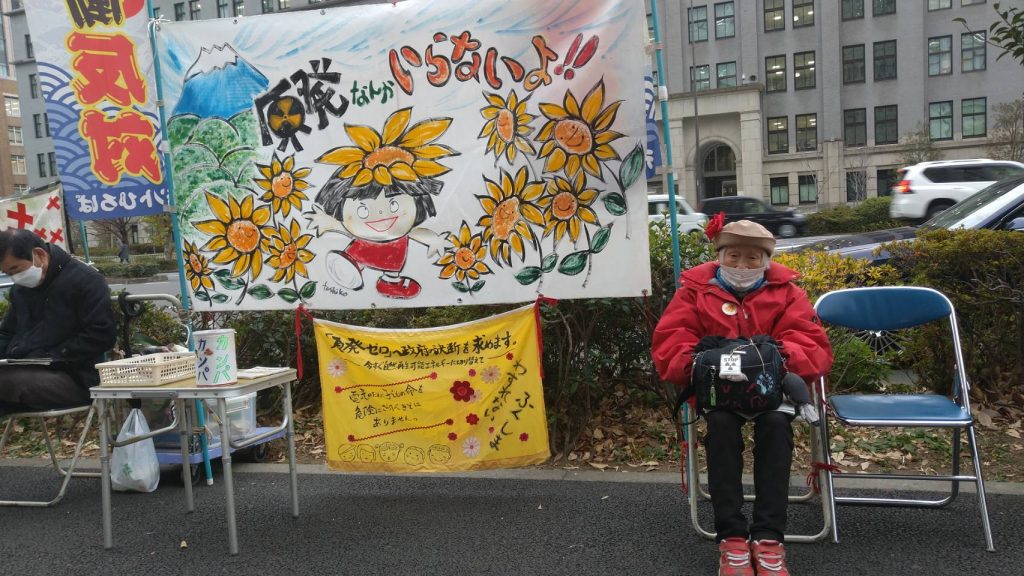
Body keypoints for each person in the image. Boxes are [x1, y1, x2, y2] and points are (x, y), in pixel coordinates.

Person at [652, 218, 832, 576]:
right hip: (718, 392)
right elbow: (670, 340)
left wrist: (775, 355)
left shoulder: (787, 292)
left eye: (753, 258)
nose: (742, 266)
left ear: (766, 260)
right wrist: (698, 361)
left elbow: (813, 344)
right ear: (719, 255)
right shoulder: (694, 290)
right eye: (733, 255)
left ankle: (768, 539)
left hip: (772, 393)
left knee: (776, 427)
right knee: (719, 427)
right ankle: (732, 537)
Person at [0, 229, 117, 416]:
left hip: (76, 377)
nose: (15, 278)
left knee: (6, 381)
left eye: (16, 269)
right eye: (7, 273)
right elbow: (7, 333)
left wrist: (53, 355)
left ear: (39, 255)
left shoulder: (85, 280)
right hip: (25, 370)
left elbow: (102, 334)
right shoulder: (20, 290)